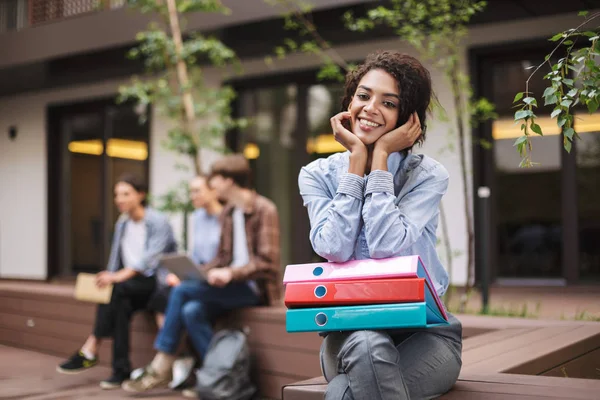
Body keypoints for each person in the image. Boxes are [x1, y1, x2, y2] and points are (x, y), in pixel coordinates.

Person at [298, 50, 462, 399]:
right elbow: (333, 247)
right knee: (367, 344)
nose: (371, 108)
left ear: (407, 117)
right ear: (349, 101)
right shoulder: (317, 175)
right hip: (346, 333)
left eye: (389, 102)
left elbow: (388, 245)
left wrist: (382, 156)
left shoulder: (426, 176)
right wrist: (357, 162)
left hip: (424, 334)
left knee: (344, 392)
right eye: (363, 95)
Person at [122, 154, 282, 393]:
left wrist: (230, 273)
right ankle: (215, 380)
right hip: (229, 285)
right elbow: (221, 257)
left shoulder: (264, 209)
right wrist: (199, 272)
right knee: (191, 310)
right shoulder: (229, 212)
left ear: (229, 181)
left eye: (214, 179)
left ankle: (162, 363)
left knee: (183, 290)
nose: (212, 184)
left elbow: (268, 263)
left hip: (253, 288)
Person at [56, 173, 177, 389]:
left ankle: (91, 347)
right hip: (129, 287)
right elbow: (116, 258)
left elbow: (149, 262)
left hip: (156, 284)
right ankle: (120, 370)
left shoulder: (157, 221)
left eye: (125, 194)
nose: (119, 199)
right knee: (119, 303)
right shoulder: (123, 223)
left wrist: (115, 277)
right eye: (116, 195)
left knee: (117, 289)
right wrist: (109, 276)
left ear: (141, 195)